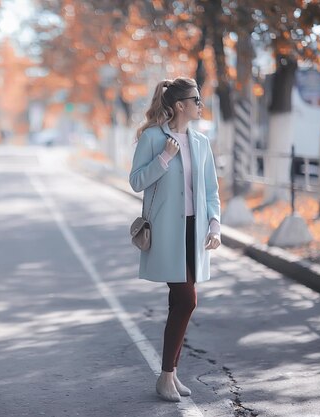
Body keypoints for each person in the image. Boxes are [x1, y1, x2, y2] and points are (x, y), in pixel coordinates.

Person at [129, 77, 221, 402]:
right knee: (186, 300)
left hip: (194, 232)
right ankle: (166, 375)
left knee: (179, 303)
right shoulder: (154, 138)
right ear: (180, 105)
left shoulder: (200, 142)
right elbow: (136, 181)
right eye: (196, 99)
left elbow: (210, 190)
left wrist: (215, 225)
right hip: (169, 233)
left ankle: (170, 375)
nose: (200, 104)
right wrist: (164, 159)